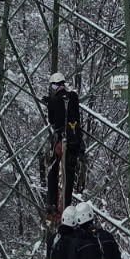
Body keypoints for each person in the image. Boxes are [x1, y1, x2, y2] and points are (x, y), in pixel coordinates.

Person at [44, 72, 83, 215]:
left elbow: (52, 121)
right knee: (69, 175)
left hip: (62, 141)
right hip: (75, 141)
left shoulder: (53, 102)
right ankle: (66, 206)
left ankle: (52, 203)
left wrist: (49, 102)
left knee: (53, 171)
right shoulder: (73, 97)